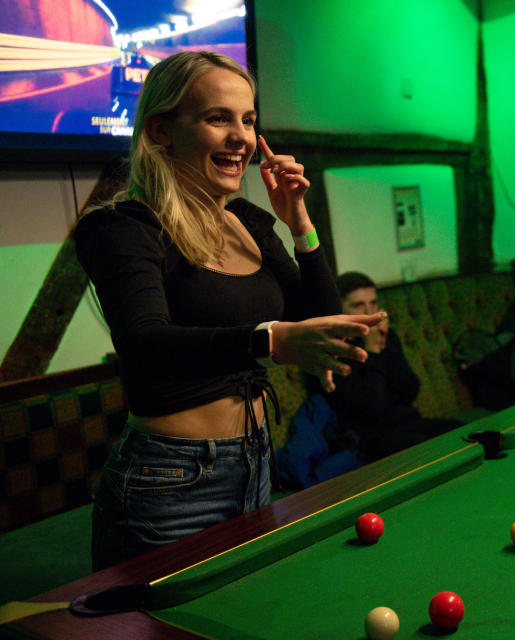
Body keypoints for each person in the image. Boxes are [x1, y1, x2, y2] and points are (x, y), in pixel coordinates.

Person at [74, 51, 385, 570]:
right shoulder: (123, 226)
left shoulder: (248, 219)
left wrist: (298, 221)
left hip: (255, 461)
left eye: (248, 120)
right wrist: (271, 340)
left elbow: (325, 318)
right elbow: (144, 345)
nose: (241, 136)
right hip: (170, 480)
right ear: (160, 131)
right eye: (218, 118)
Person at [324, 272, 462, 462]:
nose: (369, 312)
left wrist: (382, 346)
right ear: (341, 310)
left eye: (373, 303)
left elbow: (411, 389)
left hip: (407, 423)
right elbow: (372, 408)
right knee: (427, 450)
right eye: (358, 305)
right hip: (368, 438)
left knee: (462, 432)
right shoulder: (334, 350)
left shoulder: (386, 337)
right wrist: (373, 351)